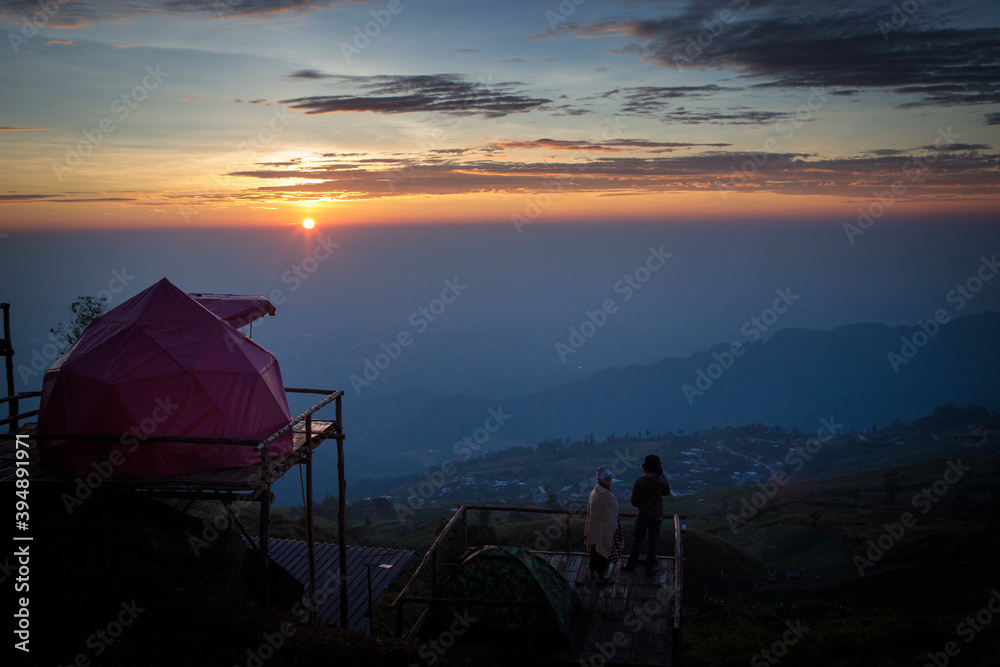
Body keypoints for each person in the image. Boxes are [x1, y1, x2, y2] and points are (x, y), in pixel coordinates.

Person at [623, 454, 671, 575]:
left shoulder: (639, 481)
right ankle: (649, 569)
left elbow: (634, 502)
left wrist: (642, 504)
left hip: (642, 516)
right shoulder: (661, 482)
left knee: (637, 541)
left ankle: (630, 565)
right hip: (656, 517)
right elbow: (667, 492)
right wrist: (662, 475)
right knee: (653, 543)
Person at [585, 465, 619, 584]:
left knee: (594, 551)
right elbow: (610, 513)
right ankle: (600, 577)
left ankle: (591, 572)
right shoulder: (605, 495)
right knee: (602, 552)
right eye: (609, 478)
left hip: (595, 529)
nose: (610, 480)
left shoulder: (596, 491)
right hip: (603, 530)